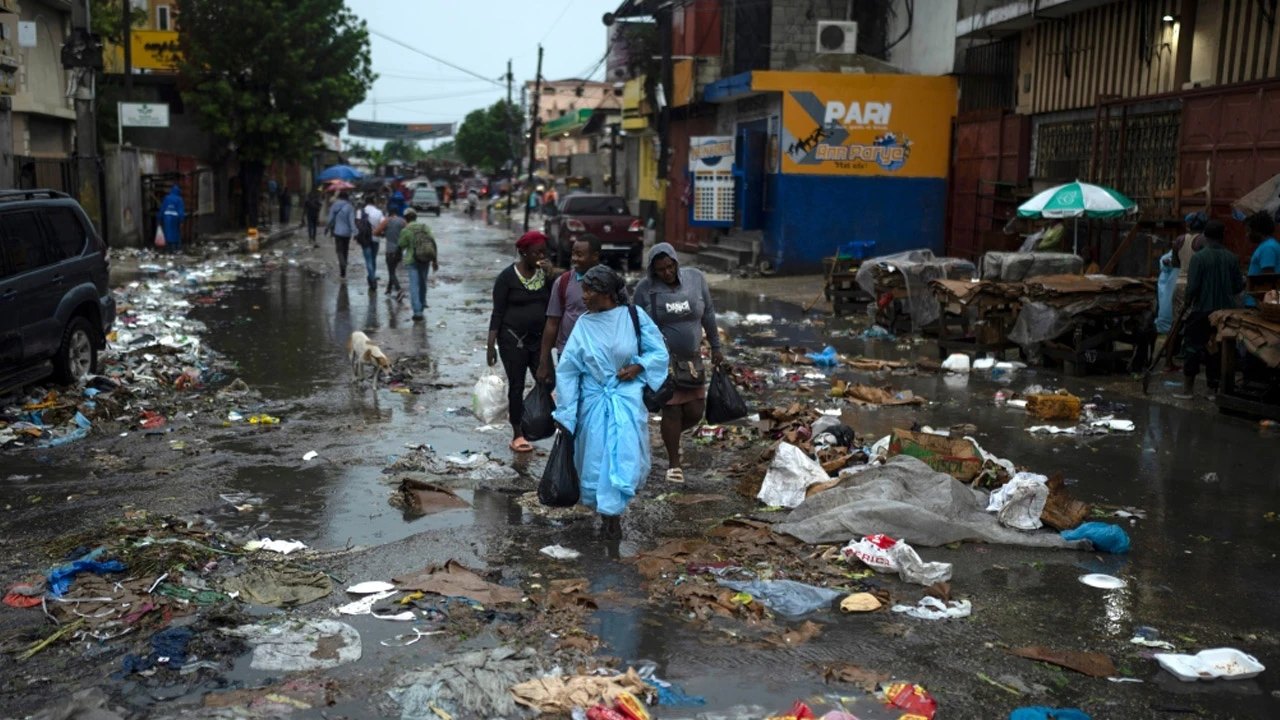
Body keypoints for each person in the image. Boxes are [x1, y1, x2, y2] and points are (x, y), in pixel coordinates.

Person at [552, 265, 669, 536]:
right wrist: (566, 413)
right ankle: (606, 515)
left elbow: (659, 352)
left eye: (589, 290)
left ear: (605, 293)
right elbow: (568, 370)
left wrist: (637, 367)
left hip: (626, 402)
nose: (584, 296)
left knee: (624, 457)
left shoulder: (633, 317)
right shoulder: (583, 324)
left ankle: (614, 515)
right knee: (595, 459)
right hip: (593, 404)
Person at [633, 242, 723, 484]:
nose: (667, 273)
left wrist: (716, 347)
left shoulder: (696, 279)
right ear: (653, 270)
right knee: (671, 410)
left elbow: (709, 314)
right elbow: (635, 324)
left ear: (676, 262)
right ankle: (674, 464)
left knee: (695, 411)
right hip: (664, 362)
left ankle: (670, 437)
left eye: (670, 267)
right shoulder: (645, 289)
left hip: (693, 361)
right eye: (661, 270)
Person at [487, 231, 552, 453]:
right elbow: (497, 312)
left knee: (547, 381)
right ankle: (518, 433)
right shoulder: (507, 277)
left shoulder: (546, 276)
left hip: (539, 340)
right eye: (537, 252)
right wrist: (490, 345)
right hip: (511, 340)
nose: (541, 256)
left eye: (544, 252)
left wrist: (552, 274)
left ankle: (524, 413)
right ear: (523, 253)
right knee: (516, 386)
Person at [1179, 219, 1244, 399]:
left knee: (1192, 346)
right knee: (1216, 349)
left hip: (1202, 310)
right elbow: (1239, 287)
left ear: (1205, 237)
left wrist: (1186, 303)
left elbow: (1192, 288)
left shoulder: (1198, 258)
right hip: (1224, 313)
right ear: (1222, 237)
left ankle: (1188, 390)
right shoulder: (1232, 258)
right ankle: (1211, 390)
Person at [536, 235, 601, 387]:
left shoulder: (611, 283)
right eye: (573, 254)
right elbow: (552, 323)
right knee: (568, 402)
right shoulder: (563, 282)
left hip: (600, 355)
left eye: (580, 255)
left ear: (595, 256)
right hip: (568, 353)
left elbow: (623, 318)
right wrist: (544, 361)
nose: (574, 259)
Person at [397, 210, 437, 321]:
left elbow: (401, 244)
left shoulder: (406, 230)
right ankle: (422, 304)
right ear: (416, 217)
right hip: (425, 259)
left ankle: (417, 312)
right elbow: (432, 241)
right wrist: (434, 259)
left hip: (412, 260)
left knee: (414, 285)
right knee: (423, 283)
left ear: (406, 219)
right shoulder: (425, 227)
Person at [1245, 211, 1280, 307]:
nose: (1247, 235)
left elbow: (1267, 278)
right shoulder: (1268, 245)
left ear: (1257, 231)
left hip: (1258, 303)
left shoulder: (1268, 248)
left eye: (1249, 230)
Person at [374, 209, 407, 298]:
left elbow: (376, 232)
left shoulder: (387, 221)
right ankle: (388, 289)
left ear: (389, 214)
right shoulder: (403, 221)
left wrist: (384, 234)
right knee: (392, 270)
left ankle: (399, 290)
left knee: (391, 272)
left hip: (390, 250)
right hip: (400, 250)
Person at [357, 197, 385, 293]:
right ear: (374, 202)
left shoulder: (360, 211)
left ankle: (372, 279)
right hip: (375, 238)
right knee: (373, 260)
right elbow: (383, 224)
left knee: (368, 260)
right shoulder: (378, 212)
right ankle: (372, 278)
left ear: (366, 203)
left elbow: (357, 224)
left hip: (365, 239)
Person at [325, 190, 356, 278]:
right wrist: (355, 232)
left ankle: (342, 264)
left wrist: (327, 228)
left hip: (338, 232)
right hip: (347, 233)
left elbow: (330, 219)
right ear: (347, 197)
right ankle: (344, 271)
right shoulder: (350, 207)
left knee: (339, 250)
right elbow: (351, 221)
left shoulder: (335, 205)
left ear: (339, 197)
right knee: (345, 250)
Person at [157, 185, 186, 254]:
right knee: (176, 232)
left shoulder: (166, 198)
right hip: (175, 218)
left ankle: (170, 249)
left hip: (167, 217)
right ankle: (176, 248)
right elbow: (181, 211)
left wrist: (159, 219)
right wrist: (182, 220)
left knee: (168, 232)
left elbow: (162, 209)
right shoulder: (179, 199)